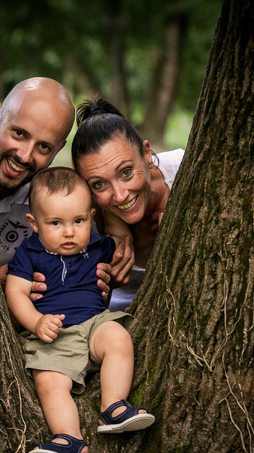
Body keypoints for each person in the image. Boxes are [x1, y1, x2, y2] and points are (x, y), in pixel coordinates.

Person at [4, 167, 154, 453]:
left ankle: (113, 407)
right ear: (34, 223)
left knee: (118, 338)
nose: (69, 232)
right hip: (53, 333)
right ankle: (69, 438)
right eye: (56, 223)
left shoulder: (98, 245)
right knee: (49, 381)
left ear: (91, 216)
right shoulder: (29, 252)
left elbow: (121, 237)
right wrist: (35, 322)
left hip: (94, 323)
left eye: (79, 220)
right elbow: (15, 292)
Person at [0, 78, 132, 295]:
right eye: (19, 133)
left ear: (58, 150)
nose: (24, 156)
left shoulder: (49, 197)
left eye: (43, 147)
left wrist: (117, 245)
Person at [71, 98, 185, 311]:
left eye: (126, 172)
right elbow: (86, 313)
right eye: (99, 184)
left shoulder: (185, 173)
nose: (120, 196)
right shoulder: (85, 222)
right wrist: (105, 286)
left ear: (147, 154)